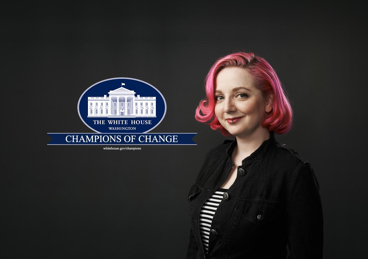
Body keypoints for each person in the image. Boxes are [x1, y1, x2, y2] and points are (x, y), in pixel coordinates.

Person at [187, 52, 323, 259]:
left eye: (241, 95)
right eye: (220, 97)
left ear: (268, 101)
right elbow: (195, 247)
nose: (228, 108)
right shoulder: (214, 158)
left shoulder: (293, 172)